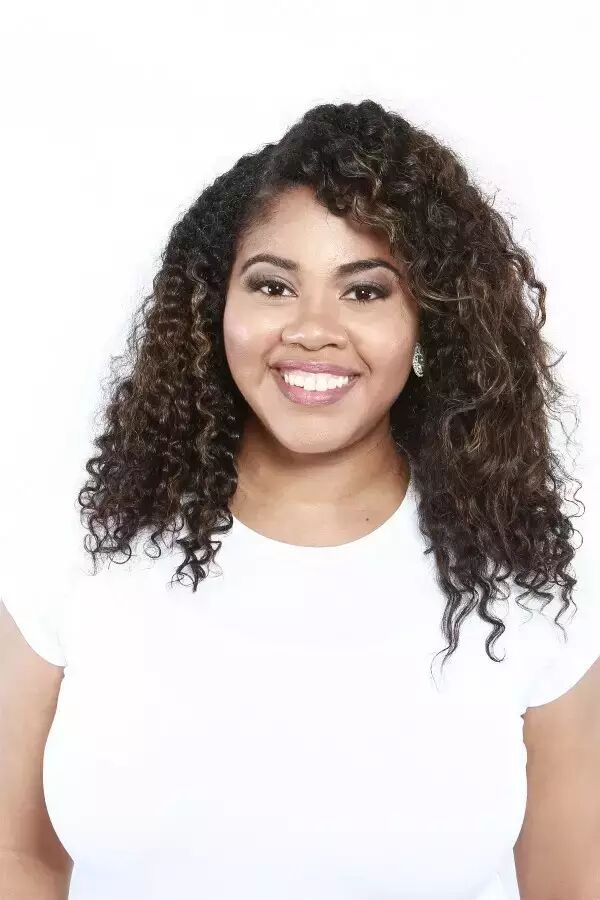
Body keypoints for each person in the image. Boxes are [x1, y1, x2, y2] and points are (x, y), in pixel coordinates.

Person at [1, 99, 599, 900]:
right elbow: (18, 859)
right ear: (215, 306)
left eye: (365, 292)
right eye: (274, 285)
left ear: (430, 321)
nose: (314, 330)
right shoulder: (80, 549)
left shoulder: (526, 586)